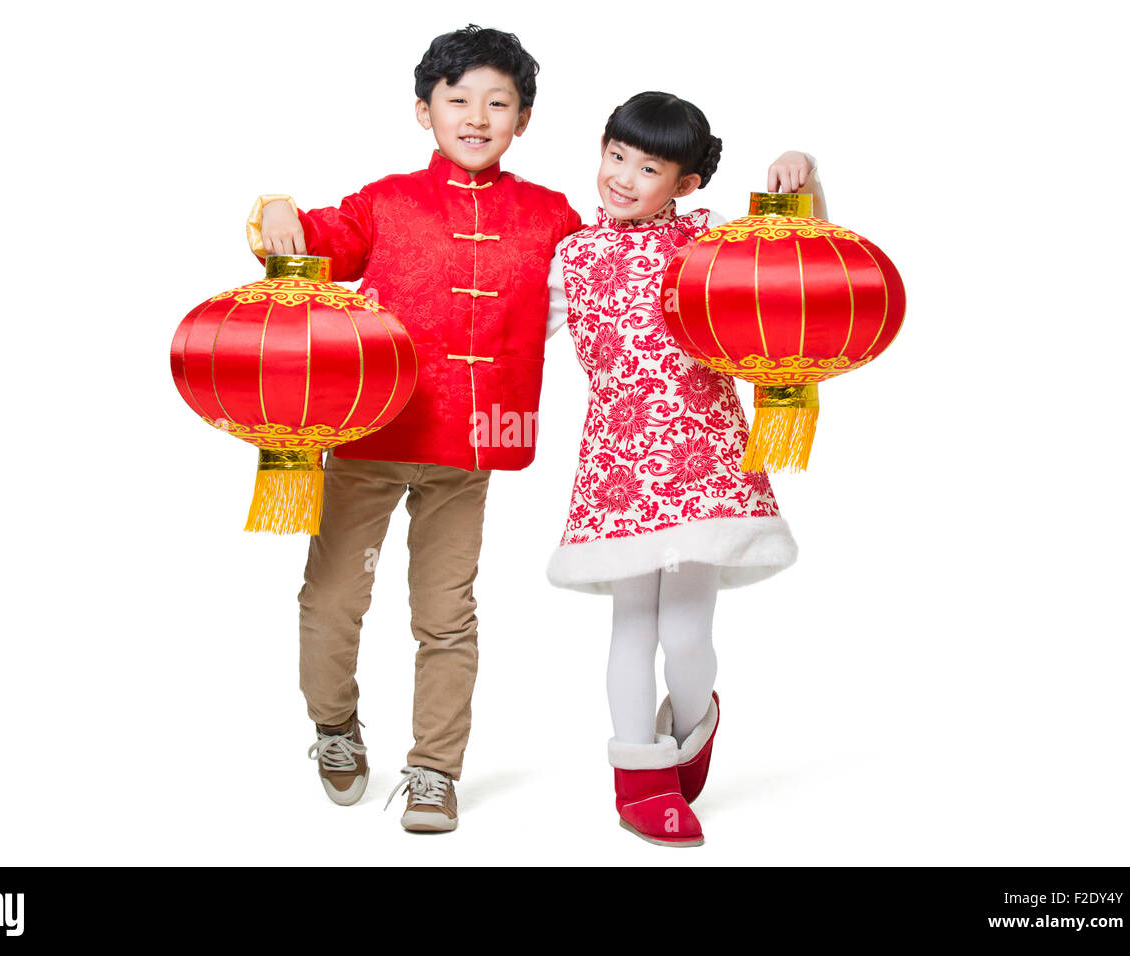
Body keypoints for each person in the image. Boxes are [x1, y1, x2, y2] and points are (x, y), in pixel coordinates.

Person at [247, 25, 583, 833]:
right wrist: (279, 209)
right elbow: (316, 240)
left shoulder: (549, 215)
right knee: (332, 599)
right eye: (457, 99)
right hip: (369, 439)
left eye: (497, 102)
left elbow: (615, 264)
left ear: (523, 119)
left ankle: (434, 769)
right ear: (424, 111)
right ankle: (333, 727)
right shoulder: (389, 201)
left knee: (447, 613)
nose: (476, 116)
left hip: (472, 445)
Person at [545, 90, 826, 846]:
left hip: (703, 454)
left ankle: (695, 726)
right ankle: (640, 778)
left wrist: (804, 179)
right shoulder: (572, 255)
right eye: (615, 156)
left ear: (687, 184)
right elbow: (507, 341)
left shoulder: (709, 242)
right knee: (632, 621)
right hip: (617, 463)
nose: (624, 177)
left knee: (688, 629)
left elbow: (805, 264)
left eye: (648, 167)